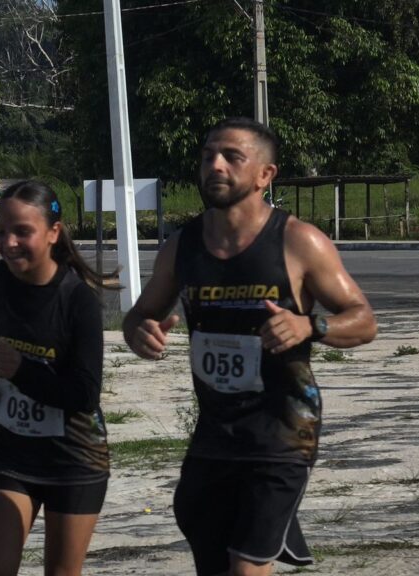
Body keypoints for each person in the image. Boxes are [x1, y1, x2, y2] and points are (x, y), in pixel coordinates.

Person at [122, 117, 377, 576]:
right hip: (215, 433)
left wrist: (309, 326)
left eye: (231, 158)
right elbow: (138, 315)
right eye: (207, 157)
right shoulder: (181, 248)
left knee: (247, 566)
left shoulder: (299, 241)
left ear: (265, 175)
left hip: (283, 431)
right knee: (212, 560)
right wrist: (141, 331)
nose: (214, 166)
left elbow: (363, 320)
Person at [0, 180, 114, 576]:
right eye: (1, 232)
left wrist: (23, 372)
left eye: (23, 232)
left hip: (74, 459)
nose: (9, 242)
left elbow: (84, 394)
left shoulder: (76, 299)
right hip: (11, 453)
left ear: (53, 232)